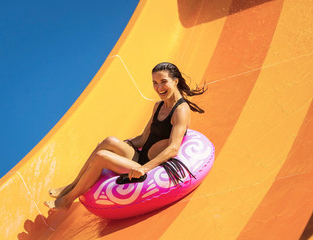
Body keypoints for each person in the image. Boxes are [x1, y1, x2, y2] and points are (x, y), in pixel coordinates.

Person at [44, 62, 207, 210]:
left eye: (163, 81)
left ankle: (67, 201)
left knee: (101, 156)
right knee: (108, 141)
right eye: (155, 83)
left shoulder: (181, 111)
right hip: (141, 157)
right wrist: (117, 146)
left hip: (152, 167)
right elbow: (143, 138)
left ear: (175, 81)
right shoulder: (158, 106)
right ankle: (71, 186)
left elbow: (173, 149)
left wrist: (144, 168)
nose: (159, 88)